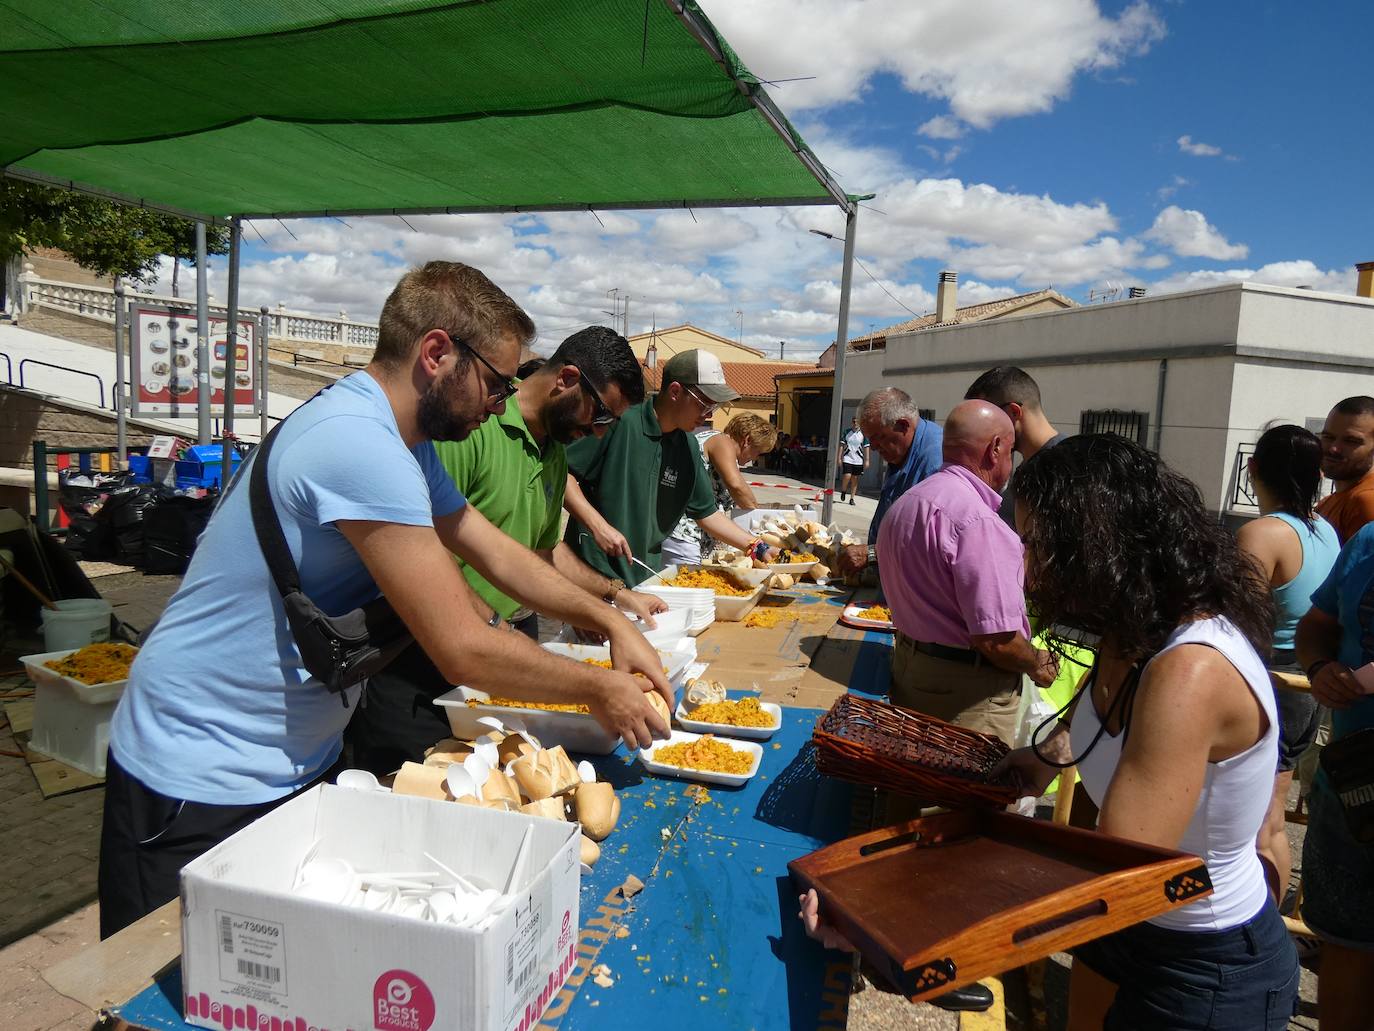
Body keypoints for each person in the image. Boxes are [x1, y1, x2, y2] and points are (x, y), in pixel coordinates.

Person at [98, 262, 671, 938]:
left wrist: (607, 616)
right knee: (171, 985)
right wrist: (598, 688)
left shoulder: (405, 443)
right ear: (436, 354)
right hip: (199, 771)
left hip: (292, 762)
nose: (500, 402)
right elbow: (463, 644)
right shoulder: (358, 443)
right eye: (495, 382)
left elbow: (497, 552)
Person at [1001, 435, 1295, 1029]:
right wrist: (1017, 766)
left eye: (1034, 545)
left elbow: (1117, 865)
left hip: (1203, 965)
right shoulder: (1132, 630)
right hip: (1131, 930)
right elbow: (1077, 738)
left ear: (1094, 546)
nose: (1026, 568)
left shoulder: (1190, 668)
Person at [346, 325, 671, 775]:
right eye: (601, 417)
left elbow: (540, 553)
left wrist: (611, 602)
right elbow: (427, 550)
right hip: (419, 666)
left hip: (501, 660)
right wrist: (496, 626)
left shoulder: (554, 454)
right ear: (568, 379)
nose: (599, 435)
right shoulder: (471, 428)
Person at [878, 401, 1057, 746]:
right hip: (965, 691)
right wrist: (1037, 662)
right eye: (1011, 452)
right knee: (958, 797)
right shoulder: (979, 523)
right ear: (996, 449)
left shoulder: (909, 503)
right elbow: (998, 640)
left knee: (912, 789)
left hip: (911, 669)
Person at [562, 349, 777, 585]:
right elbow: (562, 474)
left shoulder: (687, 446)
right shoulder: (620, 422)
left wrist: (756, 546)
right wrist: (597, 525)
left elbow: (706, 513)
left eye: (714, 408)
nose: (707, 416)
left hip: (642, 574)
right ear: (675, 391)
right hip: (592, 571)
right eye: (704, 404)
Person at [1235, 424, 1339, 902]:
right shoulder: (1326, 532)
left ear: (1252, 469)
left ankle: (1252, 933)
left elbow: (1240, 624)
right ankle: (1271, 926)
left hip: (1267, 682)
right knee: (1272, 817)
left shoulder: (1261, 533)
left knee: (1248, 820)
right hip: (1307, 683)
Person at [1294, 520, 1374, 1031]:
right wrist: (1320, 665)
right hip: (1352, 788)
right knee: (1345, 945)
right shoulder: (1367, 540)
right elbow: (1315, 624)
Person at [835, 388, 943, 579]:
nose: (874, 448)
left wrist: (871, 554)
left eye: (878, 438)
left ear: (903, 425)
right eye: (870, 440)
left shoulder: (936, 461)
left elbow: (933, 543)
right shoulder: (900, 451)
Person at [662, 413, 779, 566]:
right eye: (758, 451)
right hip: (685, 536)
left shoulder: (716, 441)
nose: (755, 458)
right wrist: (760, 519)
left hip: (687, 536)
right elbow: (736, 486)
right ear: (747, 440)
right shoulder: (722, 441)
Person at [964, 365, 1065, 526]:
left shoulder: (1064, 472)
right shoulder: (1029, 466)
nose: (980, 430)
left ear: (1014, 412)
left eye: (986, 419)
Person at [1315, 395, 1374, 544]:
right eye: (1328, 437)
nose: (1334, 448)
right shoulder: (1327, 503)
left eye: (1351, 441)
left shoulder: (1367, 502)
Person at [836, 416, 868, 504]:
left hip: (858, 459)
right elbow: (842, 446)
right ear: (852, 422)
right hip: (848, 458)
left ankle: (852, 498)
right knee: (847, 476)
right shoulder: (846, 432)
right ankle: (843, 490)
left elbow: (866, 447)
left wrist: (867, 460)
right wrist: (839, 458)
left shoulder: (863, 434)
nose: (855, 423)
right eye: (854, 422)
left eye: (857, 422)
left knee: (855, 478)